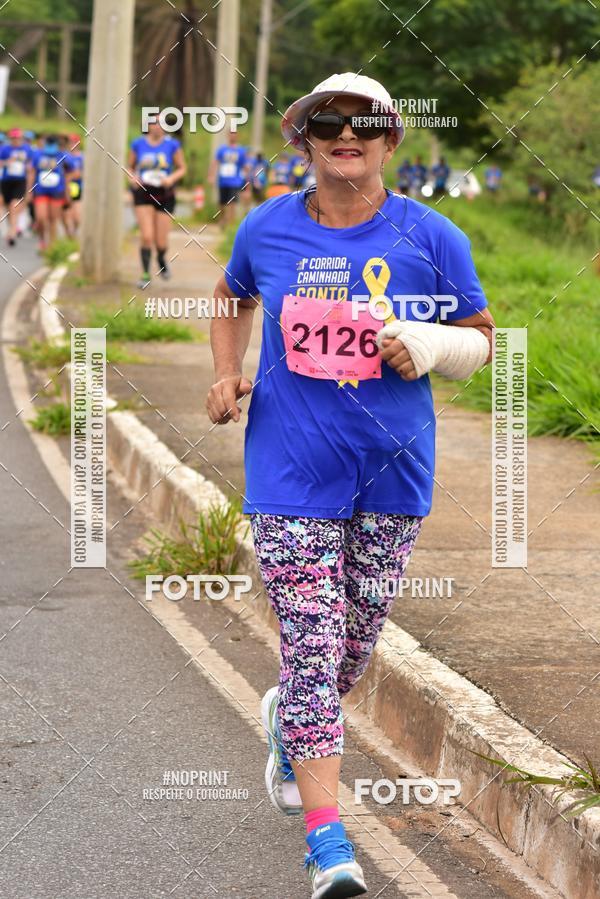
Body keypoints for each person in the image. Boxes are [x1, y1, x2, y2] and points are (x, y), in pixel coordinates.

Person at [206, 72, 495, 899]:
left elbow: (481, 338)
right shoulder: (267, 227)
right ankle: (328, 846)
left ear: (390, 141)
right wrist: (227, 373)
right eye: (328, 121)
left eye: (365, 123)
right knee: (311, 646)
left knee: (350, 648)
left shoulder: (432, 237)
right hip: (289, 470)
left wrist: (429, 345)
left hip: (393, 474)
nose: (347, 133)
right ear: (304, 138)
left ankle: (288, 719)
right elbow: (229, 296)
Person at [127, 119, 186, 288]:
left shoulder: (172, 145)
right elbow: (129, 167)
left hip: (164, 195)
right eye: (154, 122)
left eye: (161, 123)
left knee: (161, 243)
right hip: (143, 193)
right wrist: (132, 178)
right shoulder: (138, 144)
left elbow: (182, 168)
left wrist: (171, 178)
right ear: (148, 125)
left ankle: (161, 257)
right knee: (146, 236)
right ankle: (145, 274)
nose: (158, 126)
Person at [27, 133, 69, 251]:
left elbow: (71, 171)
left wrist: (67, 193)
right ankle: (42, 240)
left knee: (53, 220)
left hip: (56, 192)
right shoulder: (38, 155)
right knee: (41, 217)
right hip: (41, 191)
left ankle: (52, 245)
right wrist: (29, 191)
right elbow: (32, 172)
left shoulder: (62, 155)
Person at [0, 127, 33, 246]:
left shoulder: (26, 149)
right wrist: (7, 162)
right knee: (9, 208)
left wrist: (29, 188)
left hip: (20, 181)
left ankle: (13, 232)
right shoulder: (4, 149)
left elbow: (31, 168)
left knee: (14, 206)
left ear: (21, 138)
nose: (16, 140)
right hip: (6, 182)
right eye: (13, 138)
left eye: (17, 138)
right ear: (10, 138)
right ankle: (11, 228)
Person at [208, 131, 247, 228]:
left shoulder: (241, 151)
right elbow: (215, 162)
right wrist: (211, 176)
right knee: (222, 203)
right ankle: (222, 220)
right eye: (231, 134)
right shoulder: (222, 149)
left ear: (238, 136)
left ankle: (231, 224)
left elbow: (244, 165)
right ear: (227, 135)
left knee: (232, 203)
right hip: (223, 181)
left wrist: (247, 181)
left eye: (234, 134)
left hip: (235, 181)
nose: (232, 136)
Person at [62, 133, 84, 236]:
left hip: (77, 188)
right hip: (65, 188)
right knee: (66, 215)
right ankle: (68, 234)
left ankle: (73, 232)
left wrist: (79, 175)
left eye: (74, 142)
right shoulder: (64, 156)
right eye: (70, 142)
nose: (72, 144)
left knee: (78, 217)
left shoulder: (82, 157)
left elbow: (85, 173)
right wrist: (71, 176)